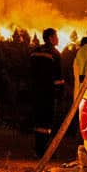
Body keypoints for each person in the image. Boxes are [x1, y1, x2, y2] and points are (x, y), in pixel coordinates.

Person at [29, 27, 65, 157]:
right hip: (48, 93)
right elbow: (58, 77)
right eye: (56, 36)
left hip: (35, 92)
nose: (58, 39)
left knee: (38, 120)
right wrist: (60, 93)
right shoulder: (55, 53)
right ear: (50, 38)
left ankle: (38, 149)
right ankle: (44, 151)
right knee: (47, 121)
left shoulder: (34, 52)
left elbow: (29, 71)